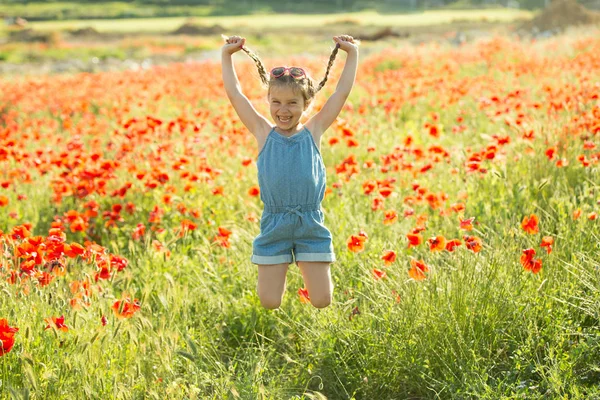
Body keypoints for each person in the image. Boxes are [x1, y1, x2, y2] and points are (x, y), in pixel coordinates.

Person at [221, 34, 359, 309]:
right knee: (270, 301)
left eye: (292, 103)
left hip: (309, 223)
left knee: (322, 300)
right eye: (277, 103)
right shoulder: (262, 132)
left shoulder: (314, 130)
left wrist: (352, 53)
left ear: (306, 104)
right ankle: (283, 263)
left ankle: (307, 262)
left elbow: (340, 93)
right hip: (275, 225)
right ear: (269, 101)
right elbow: (235, 95)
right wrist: (226, 55)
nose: (283, 111)